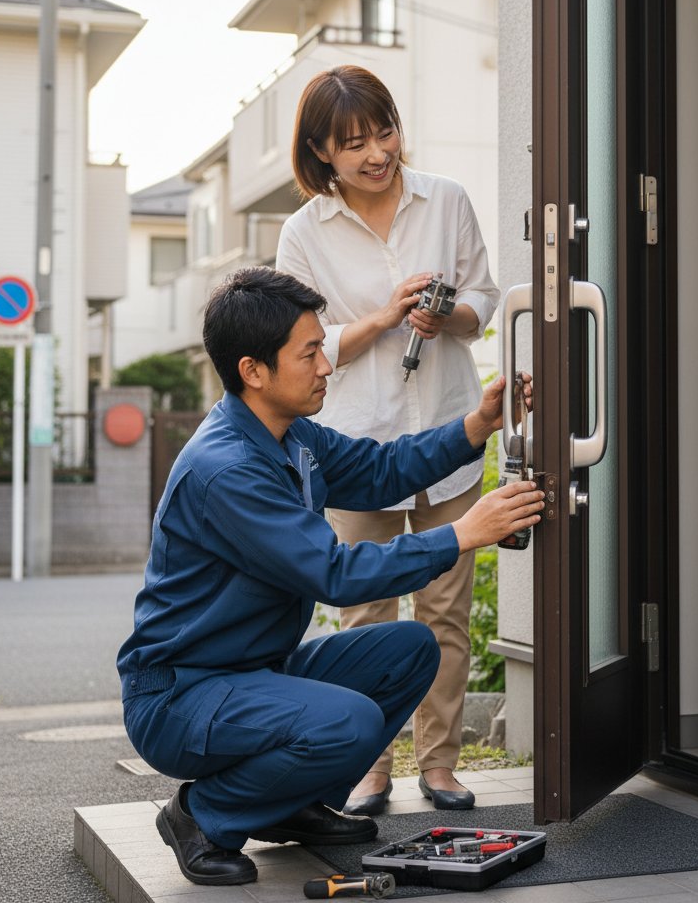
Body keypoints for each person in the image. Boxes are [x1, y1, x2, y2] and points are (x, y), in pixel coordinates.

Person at [117, 267, 541, 887]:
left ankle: (290, 803)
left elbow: (382, 470)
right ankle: (202, 815)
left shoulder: (290, 435)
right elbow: (333, 573)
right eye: (310, 352)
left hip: (248, 675)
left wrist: (478, 424)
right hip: (181, 696)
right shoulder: (227, 469)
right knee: (351, 723)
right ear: (253, 370)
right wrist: (462, 533)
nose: (326, 366)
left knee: (410, 649)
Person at [275, 64, 499, 815]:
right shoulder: (303, 232)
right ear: (321, 153)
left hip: (447, 431)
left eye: (384, 131)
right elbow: (296, 343)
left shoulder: (448, 199)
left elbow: (485, 299)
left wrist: (451, 318)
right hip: (351, 448)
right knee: (364, 617)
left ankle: (439, 764)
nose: (377, 152)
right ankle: (369, 766)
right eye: (355, 142)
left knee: (444, 611)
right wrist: (382, 318)